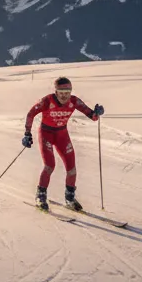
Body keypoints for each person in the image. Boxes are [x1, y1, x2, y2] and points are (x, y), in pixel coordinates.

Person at [21, 76, 104, 211]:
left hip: (62, 135)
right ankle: (40, 195)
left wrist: (97, 113)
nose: (65, 96)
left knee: (72, 168)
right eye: (61, 93)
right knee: (49, 165)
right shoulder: (47, 101)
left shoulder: (74, 101)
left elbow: (93, 117)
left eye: (67, 93)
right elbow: (31, 114)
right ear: (56, 92)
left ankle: (69, 198)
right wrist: (27, 133)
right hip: (46, 134)